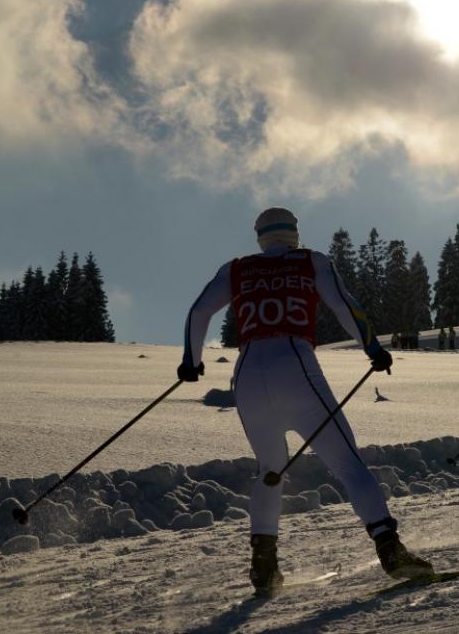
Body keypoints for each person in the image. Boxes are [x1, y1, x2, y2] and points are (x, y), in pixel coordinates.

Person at [178, 207, 432, 597]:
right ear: (294, 233)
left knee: (269, 468)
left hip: (247, 375)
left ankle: (264, 568)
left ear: (260, 236)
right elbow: (346, 306)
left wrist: (192, 362)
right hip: (294, 364)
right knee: (348, 462)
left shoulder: (236, 269)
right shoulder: (311, 260)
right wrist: (374, 348)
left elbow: (198, 312)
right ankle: (390, 550)